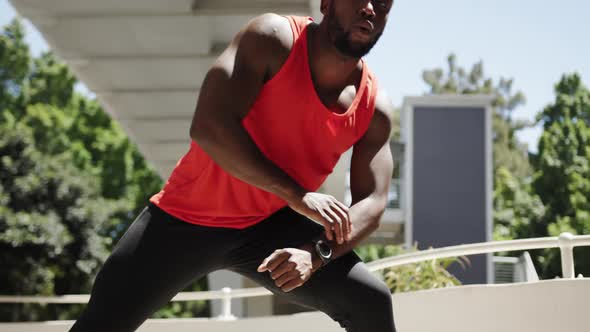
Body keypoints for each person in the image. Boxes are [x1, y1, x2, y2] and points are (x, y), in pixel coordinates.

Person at [70, 0, 397, 331]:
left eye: (383, 4)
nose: (370, 8)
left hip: (269, 227)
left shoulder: (374, 107)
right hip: (186, 217)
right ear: (327, 3)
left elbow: (373, 201)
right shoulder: (272, 38)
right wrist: (298, 196)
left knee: (370, 302)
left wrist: (316, 253)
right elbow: (209, 126)